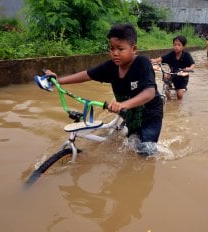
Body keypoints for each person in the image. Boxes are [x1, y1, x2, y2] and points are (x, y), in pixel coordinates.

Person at [44, 24, 163, 156]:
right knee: (132, 144)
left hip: (150, 114)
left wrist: (123, 104)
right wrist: (58, 81)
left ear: (134, 49)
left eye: (120, 49)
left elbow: (150, 92)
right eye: (111, 48)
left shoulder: (142, 63)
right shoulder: (110, 66)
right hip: (129, 112)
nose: (115, 53)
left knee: (146, 152)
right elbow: (87, 75)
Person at [150, 35, 195, 100]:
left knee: (179, 94)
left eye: (179, 45)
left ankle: (179, 105)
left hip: (183, 77)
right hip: (172, 74)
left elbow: (193, 64)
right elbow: (162, 58)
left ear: (184, 46)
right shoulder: (172, 54)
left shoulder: (187, 55)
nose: (176, 47)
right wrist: (155, 60)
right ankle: (170, 102)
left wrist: (189, 68)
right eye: (175, 45)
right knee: (166, 88)